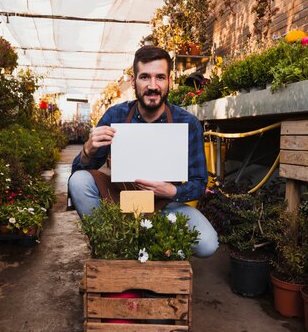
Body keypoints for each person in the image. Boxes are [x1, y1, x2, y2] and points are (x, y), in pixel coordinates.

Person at [68, 45, 218, 258]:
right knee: (78, 181)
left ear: (169, 81)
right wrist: (87, 149)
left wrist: (172, 192)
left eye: (160, 77)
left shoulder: (188, 123)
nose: (153, 86)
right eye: (145, 77)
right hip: (119, 201)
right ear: (133, 81)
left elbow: (199, 183)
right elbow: (79, 171)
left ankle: (150, 244)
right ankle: (109, 244)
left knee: (207, 243)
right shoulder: (115, 115)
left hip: (163, 206)